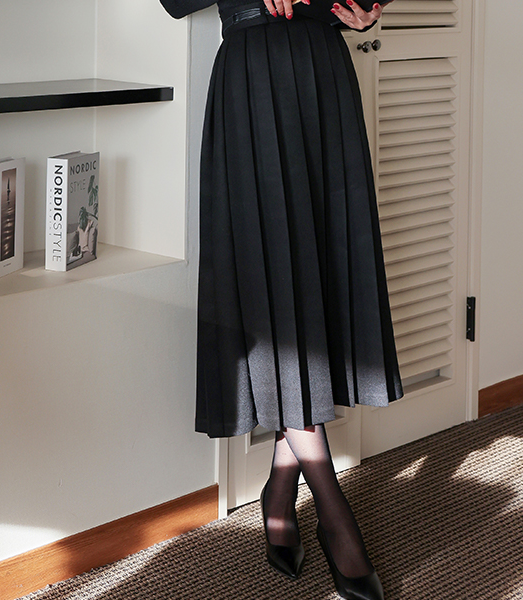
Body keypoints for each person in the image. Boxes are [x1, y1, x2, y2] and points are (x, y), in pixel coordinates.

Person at [161, 0, 404, 597]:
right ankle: (334, 515)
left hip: (325, 75)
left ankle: (279, 485)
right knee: (268, 285)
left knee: (316, 278)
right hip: (253, 80)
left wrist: (365, 10)